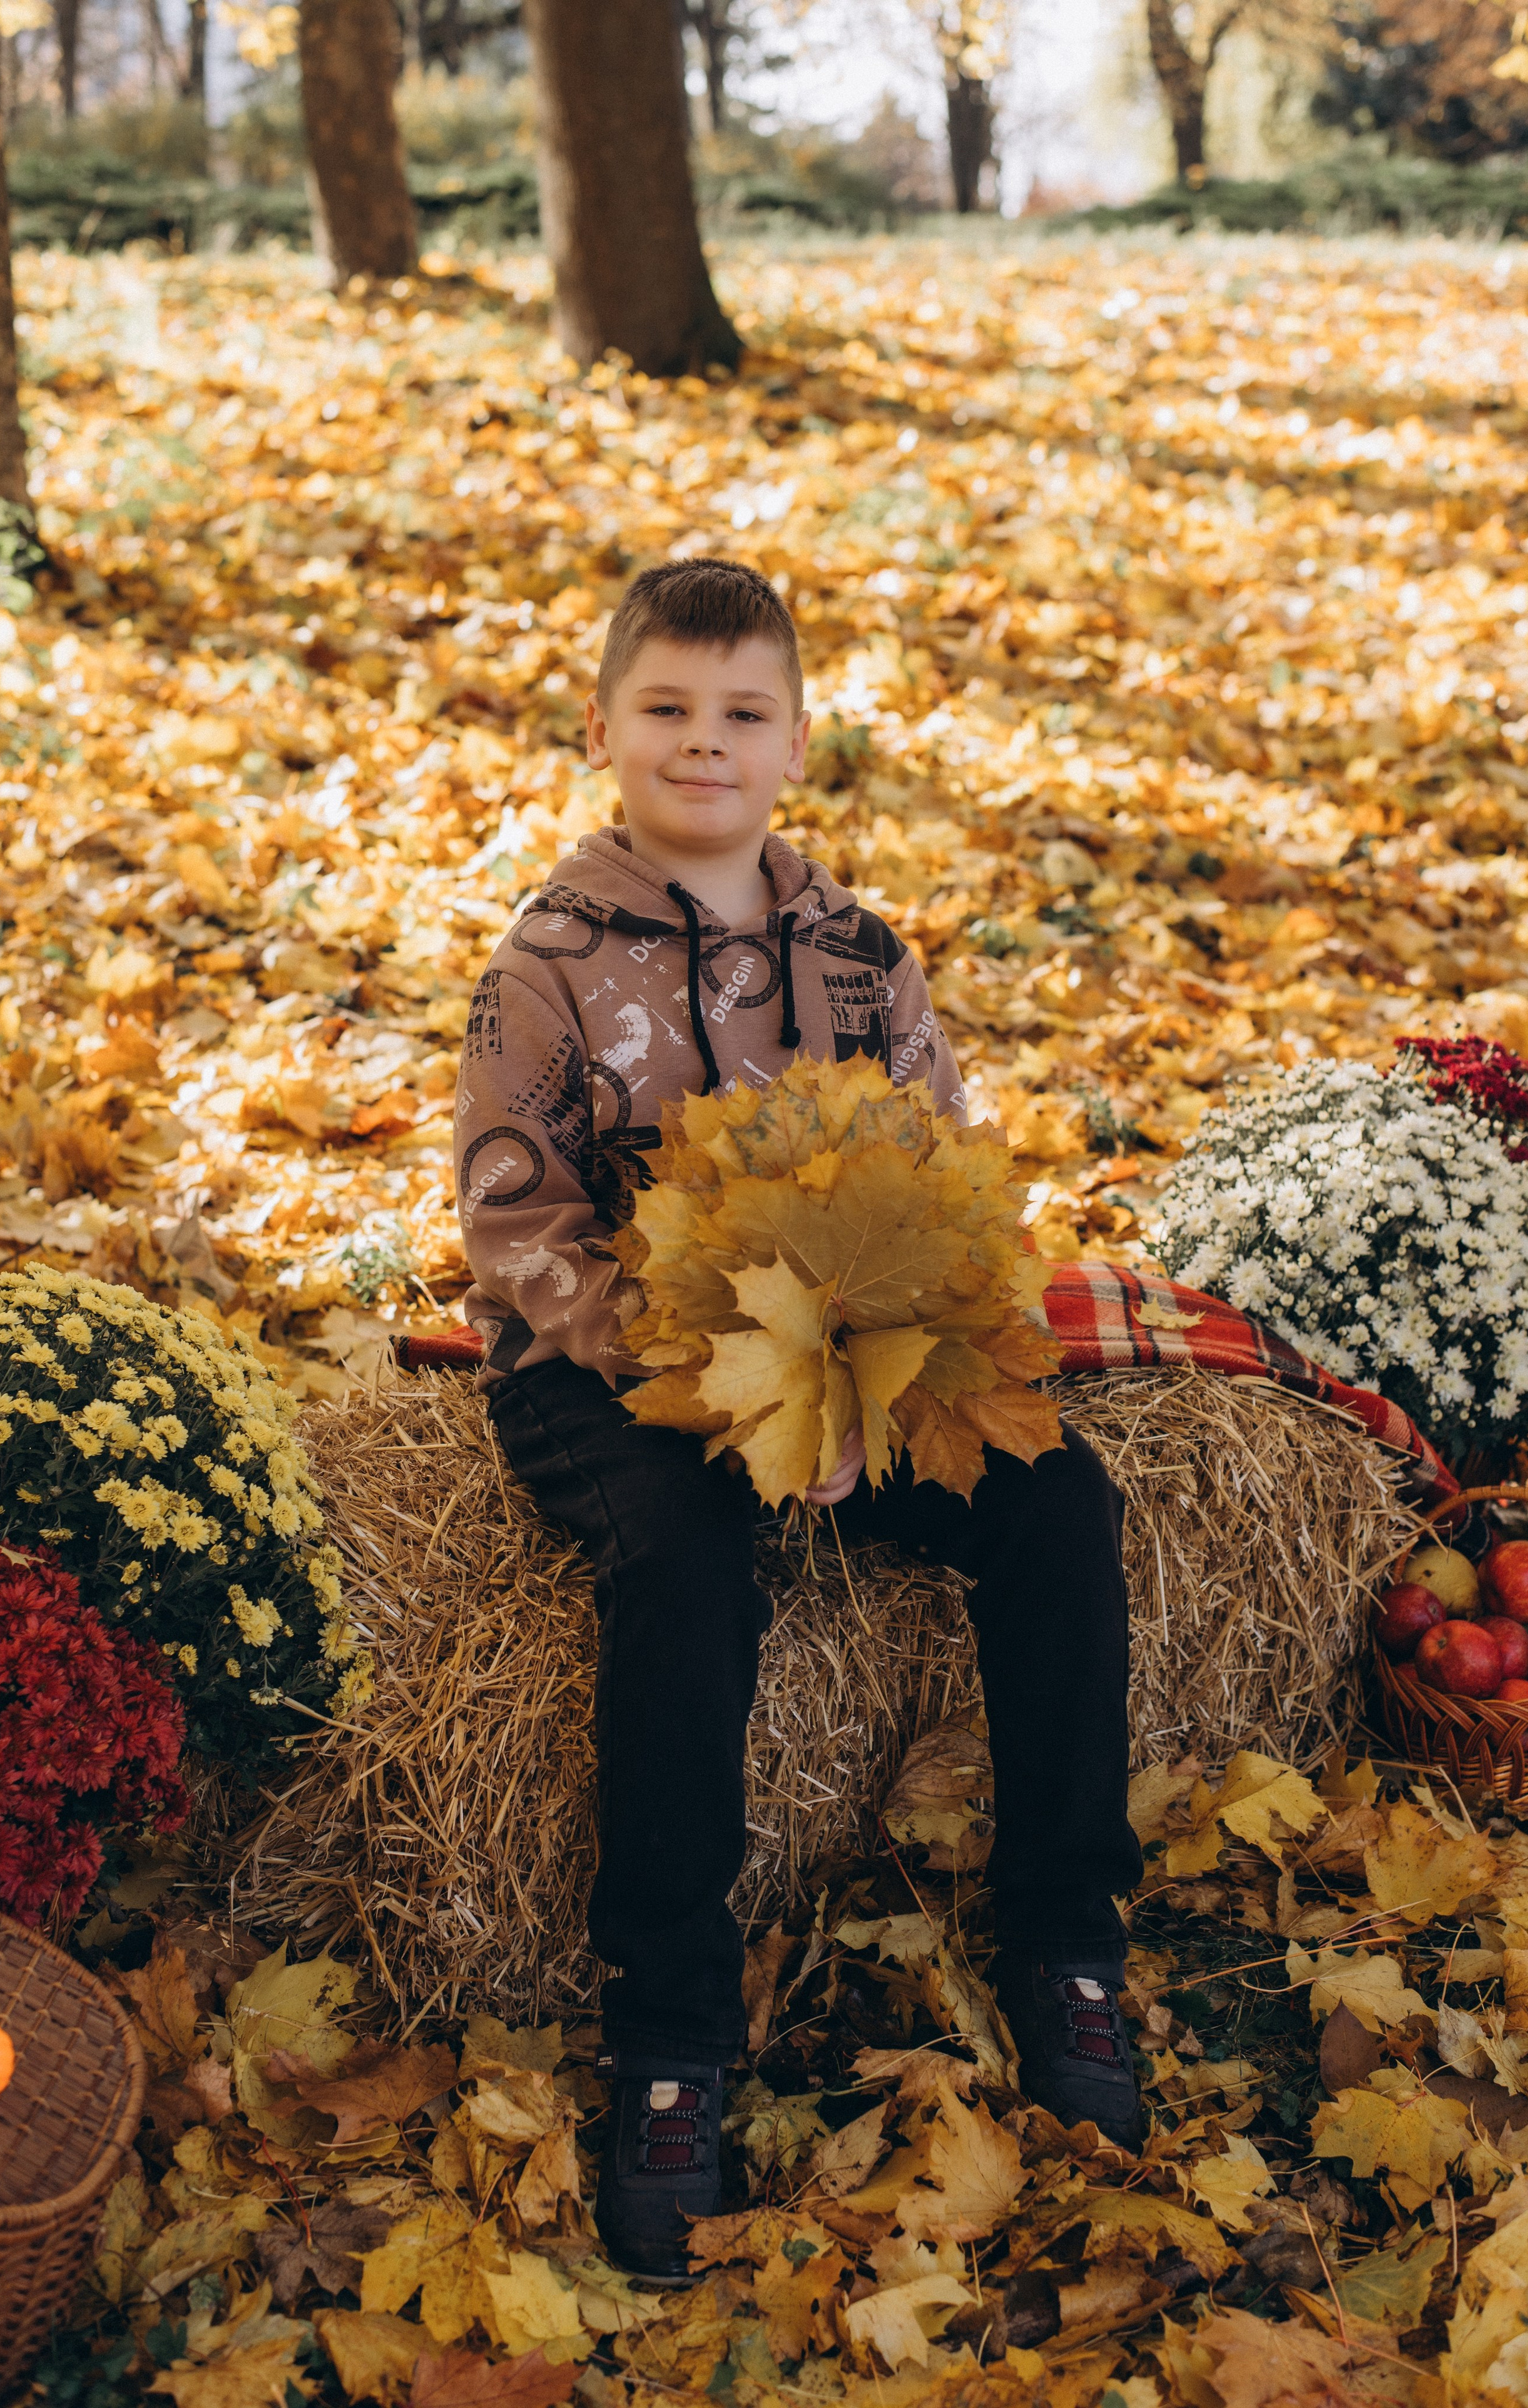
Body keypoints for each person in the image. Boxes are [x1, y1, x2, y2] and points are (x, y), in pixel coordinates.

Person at [454, 558, 1144, 2281]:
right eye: (669, 709)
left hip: (857, 1360)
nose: (705, 741)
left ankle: (1069, 1941)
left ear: (797, 740)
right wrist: (709, 1389)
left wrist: (869, 1383)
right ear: (606, 725)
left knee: (1063, 1506)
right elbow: (515, 1222)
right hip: (611, 1377)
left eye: (741, 712)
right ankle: (670, 2042)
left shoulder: (856, 950)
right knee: (688, 1580)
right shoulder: (549, 959)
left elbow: (942, 1181)